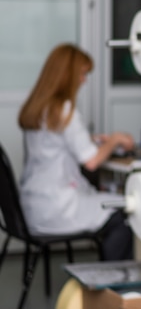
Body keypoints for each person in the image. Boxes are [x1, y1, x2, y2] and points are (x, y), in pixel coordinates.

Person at [18, 43, 134, 261]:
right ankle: (115, 284)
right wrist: (116, 139)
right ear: (67, 75)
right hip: (57, 207)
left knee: (107, 204)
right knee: (122, 214)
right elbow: (91, 161)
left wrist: (90, 139)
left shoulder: (39, 108)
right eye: (82, 74)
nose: (84, 80)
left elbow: (52, 142)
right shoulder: (64, 110)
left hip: (33, 207)